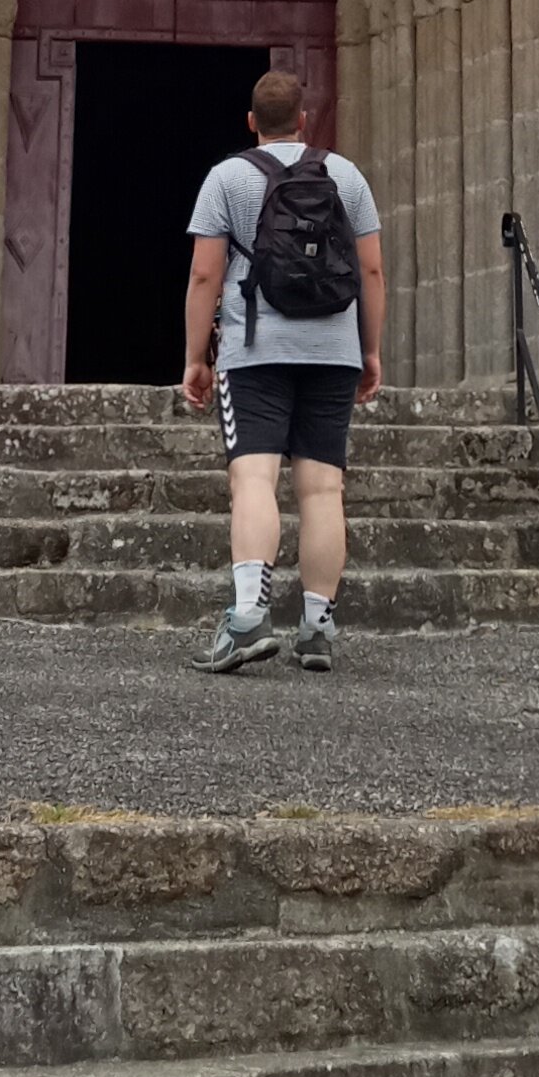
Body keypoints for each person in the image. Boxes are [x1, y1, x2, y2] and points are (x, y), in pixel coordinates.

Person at [179, 66, 383, 671]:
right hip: (333, 352)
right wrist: (368, 352)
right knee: (323, 488)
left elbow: (204, 275)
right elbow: (371, 272)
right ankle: (317, 628)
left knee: (254, 480)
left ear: (251, 122)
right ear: (304, 119)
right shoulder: (345, 175)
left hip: (255, 349)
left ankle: (247, 620)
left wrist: (196, 356)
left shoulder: (227, 177)